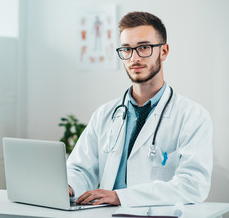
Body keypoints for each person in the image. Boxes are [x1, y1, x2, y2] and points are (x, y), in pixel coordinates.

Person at [67, 11, 213, 207]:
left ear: (164, 51)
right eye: (127, 49)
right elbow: (79, 169)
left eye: (144, 47)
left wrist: (120, 197)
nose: (134, 58)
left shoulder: (192, 116)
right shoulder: (105, 114)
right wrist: (69, 186)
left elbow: (193, 185)